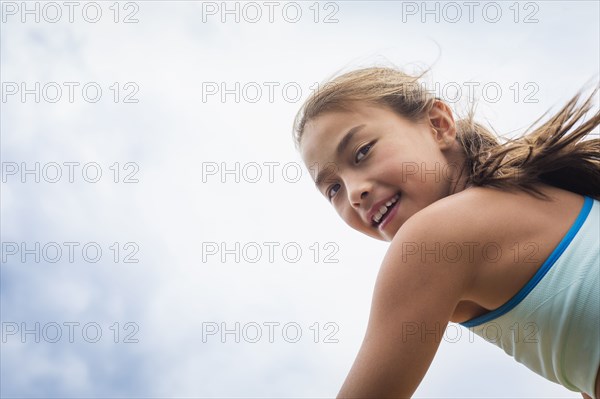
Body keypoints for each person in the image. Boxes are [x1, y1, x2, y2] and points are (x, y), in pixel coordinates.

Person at [292, 66, 600, 398]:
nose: (354, 193)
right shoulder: (546, 198)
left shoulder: (431, 241)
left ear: (438, 125)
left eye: (363, 152)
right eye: (333, 189)